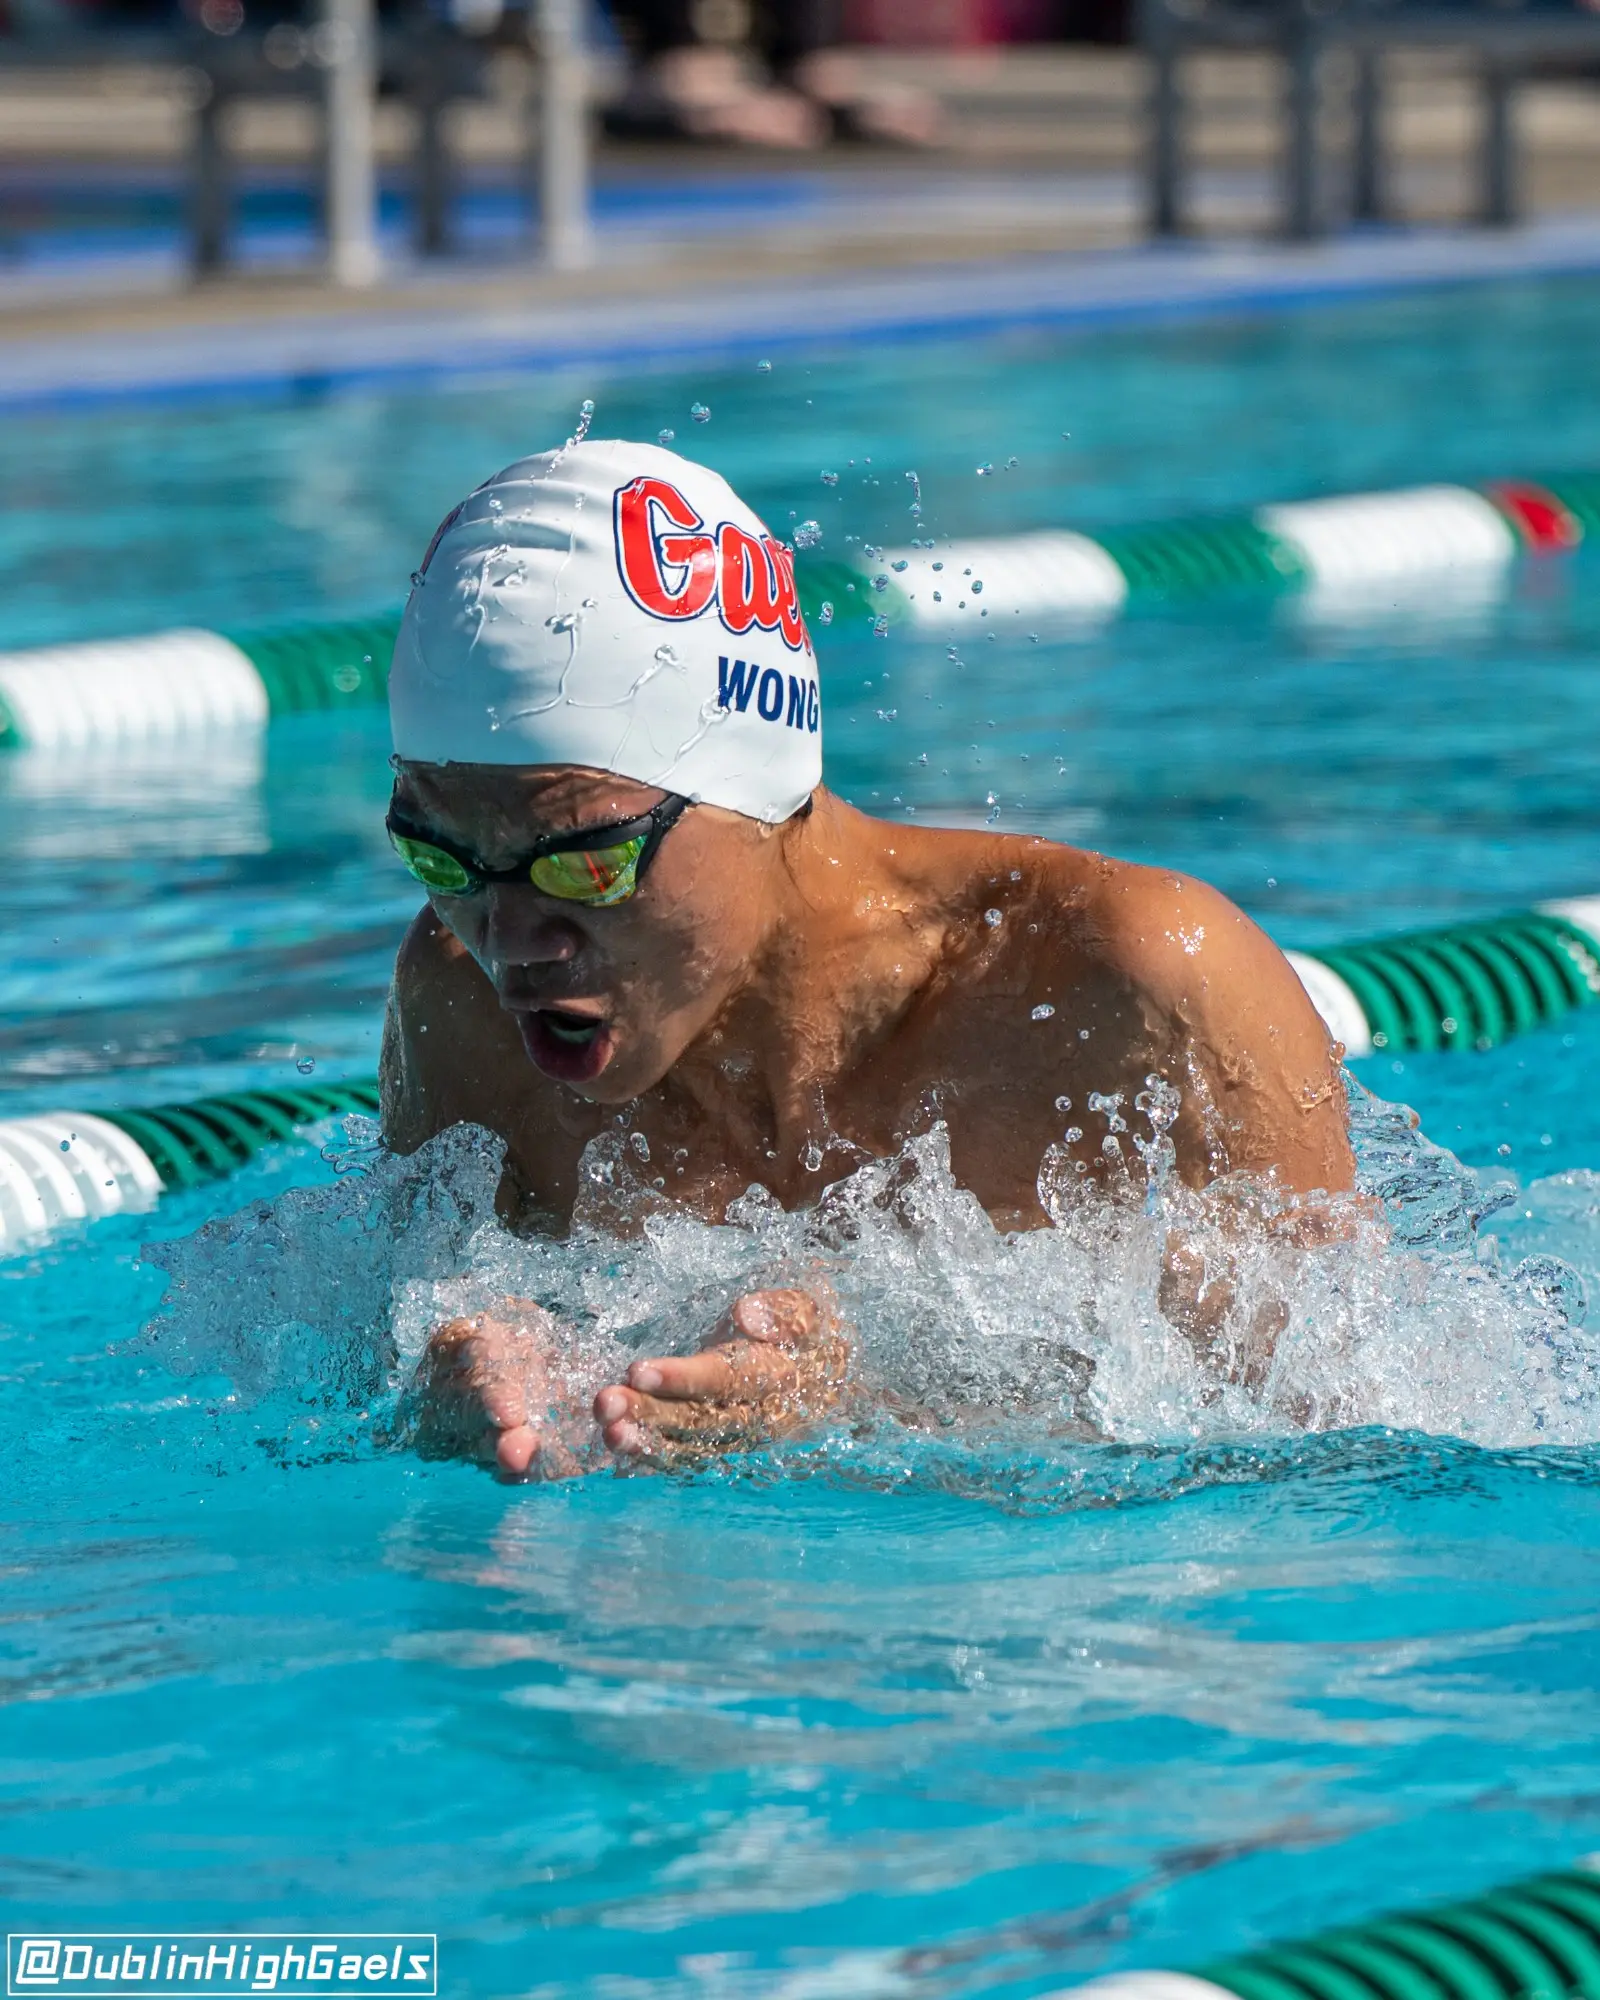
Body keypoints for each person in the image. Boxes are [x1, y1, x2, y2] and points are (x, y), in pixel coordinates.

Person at [381, 438, 1355, 1478]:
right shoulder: (459, 1005)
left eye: (584, 861)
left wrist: (867, 1395)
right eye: (441, 857)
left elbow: (1333, 1446)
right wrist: (429, 1383)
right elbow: (374, 1343)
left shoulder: (1135, 981)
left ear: (756, 784)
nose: (506, 938)